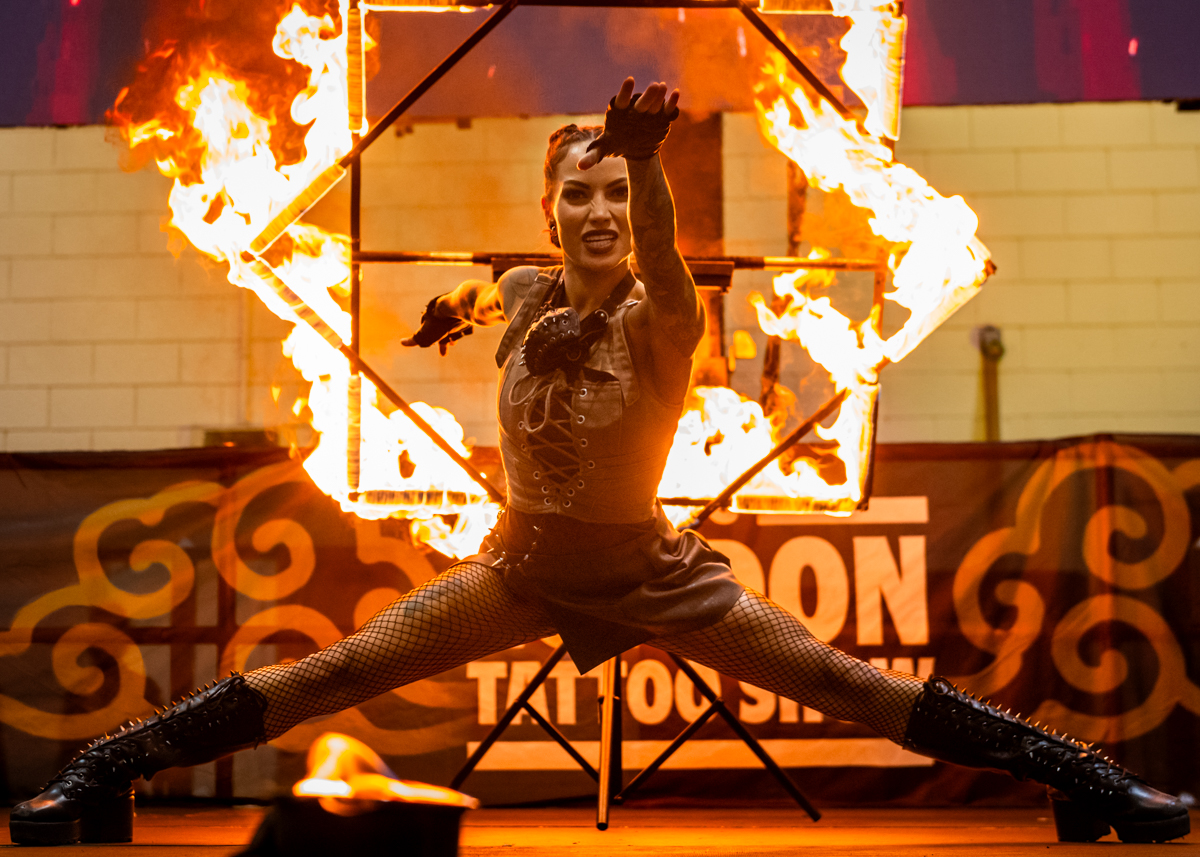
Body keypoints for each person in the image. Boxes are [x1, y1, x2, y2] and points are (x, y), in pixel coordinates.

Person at [10, 79, 1188, 847]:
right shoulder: (528, 291)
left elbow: (664, 261)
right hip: (520, 568)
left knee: (852, 686)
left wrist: (648, 160)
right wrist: (452, 312)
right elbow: (502, 285)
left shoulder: (667, 316)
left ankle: (1087, 780)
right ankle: (107, 770)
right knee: (344, 665)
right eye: (579, 192)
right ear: (552, 208)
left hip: (651, 573)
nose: (599, 209)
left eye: (616, 192)